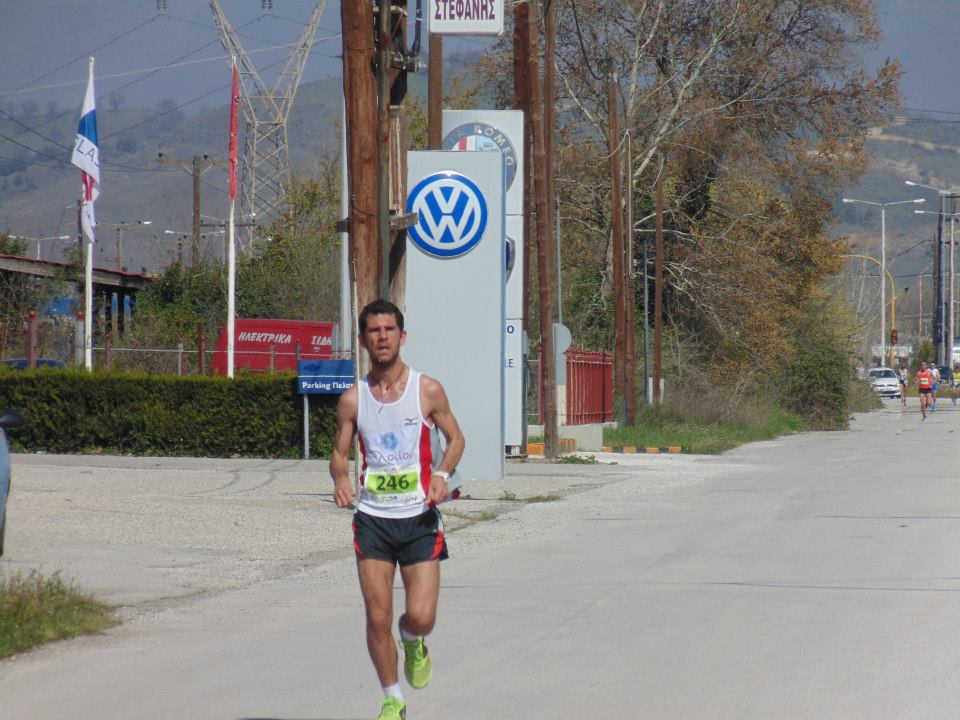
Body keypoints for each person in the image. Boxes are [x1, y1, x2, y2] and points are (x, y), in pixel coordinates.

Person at [330, 298, 465, 720]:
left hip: (419, 520)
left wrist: (442, 473)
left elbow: (457, 438)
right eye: (374, 330)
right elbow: (339, 453)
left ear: (402, 336)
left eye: (389, 330)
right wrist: (340, 479)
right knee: (377, 616)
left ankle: (412, 638)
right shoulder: (353, 399)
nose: (382, 337)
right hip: (373, 521)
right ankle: (393, 699)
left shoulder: (427, 390)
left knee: (421, 616)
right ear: (363, 339)